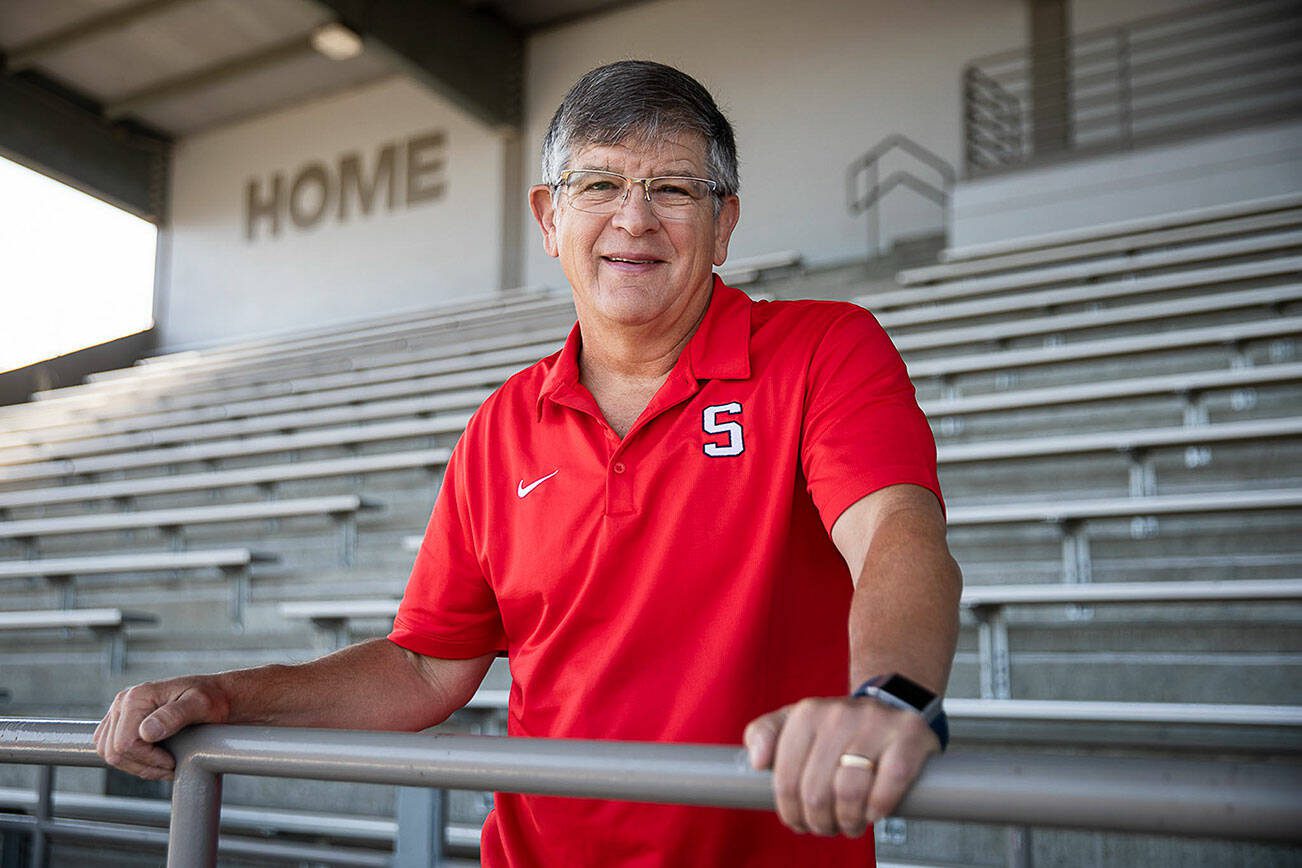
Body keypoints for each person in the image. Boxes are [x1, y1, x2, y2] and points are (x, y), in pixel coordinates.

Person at [95, 60, 961, 866]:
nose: (634, 218)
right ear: (551, 219)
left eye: (673, 188)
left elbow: (895, 529)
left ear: (724, 223)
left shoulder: (823, 350)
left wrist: (887, 697)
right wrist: (224, 696)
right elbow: (424, 668)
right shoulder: (499, 426)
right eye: (601, 184)